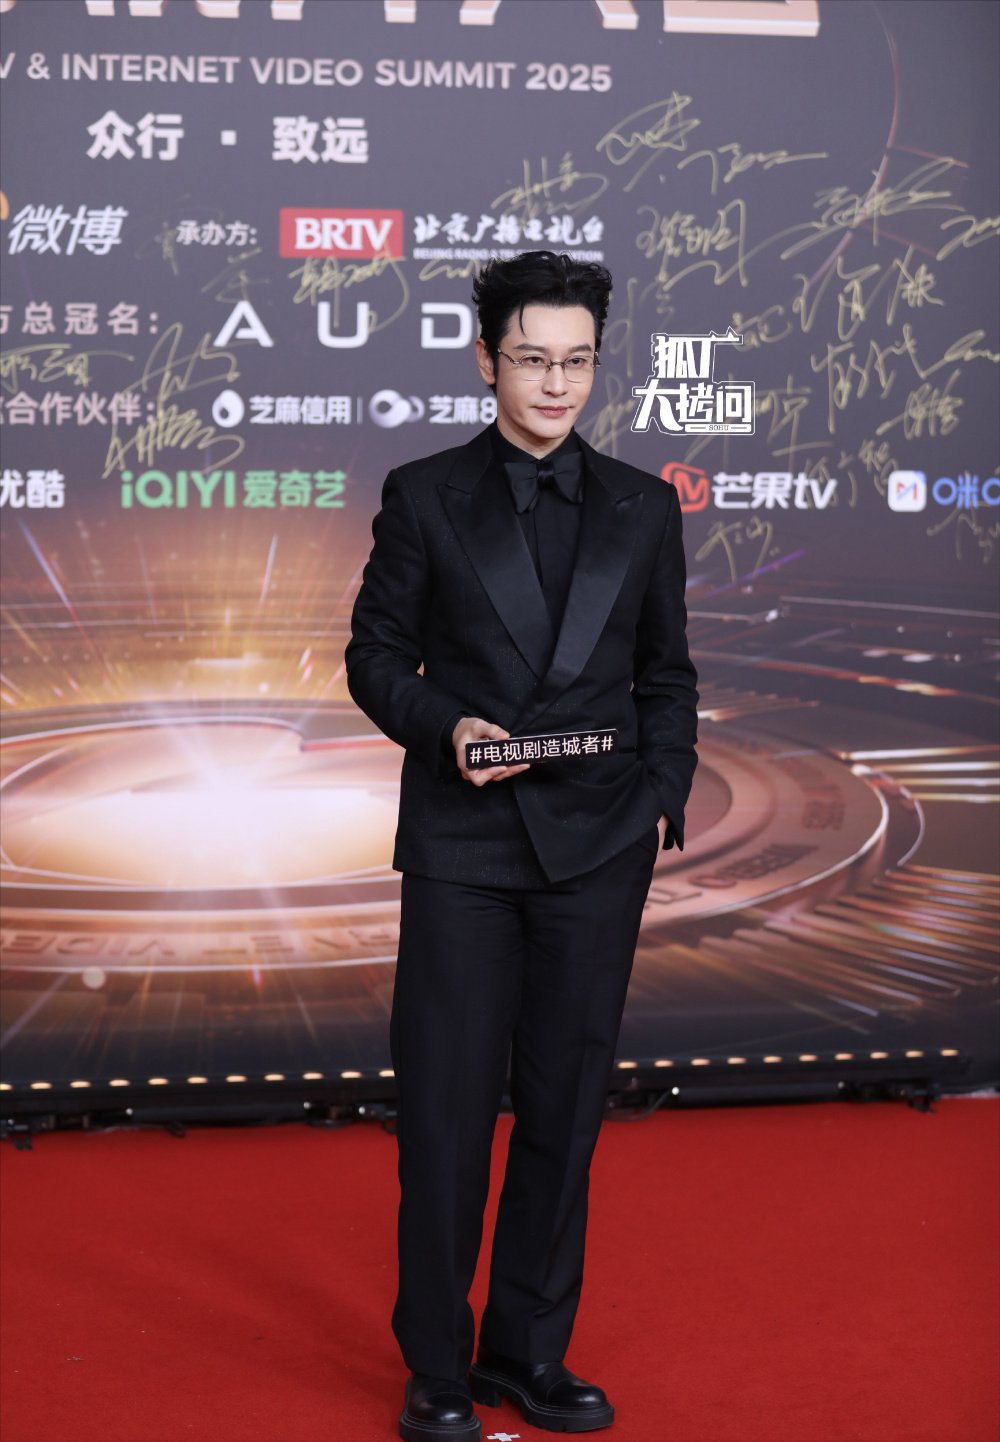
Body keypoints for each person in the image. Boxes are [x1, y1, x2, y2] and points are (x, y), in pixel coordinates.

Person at [346, 250, 698, 1442]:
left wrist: (661, 792)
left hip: (599, 843)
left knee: (566, 1103)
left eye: (577, 361)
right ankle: (438, 1363)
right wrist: (447, 726)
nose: (556, 383)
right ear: (485, 359)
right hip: (464, 843)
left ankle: (528, 1349)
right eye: (532, 358)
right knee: (445, 1111)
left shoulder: (644, 505)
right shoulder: (423, 493)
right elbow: (373, 657)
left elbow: (667, 672)